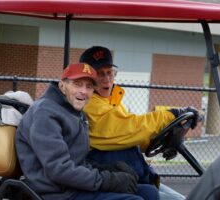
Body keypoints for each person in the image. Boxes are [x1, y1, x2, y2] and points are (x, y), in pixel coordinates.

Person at [15, 63, 159, 200]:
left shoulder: (75, 112)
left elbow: (78, 161)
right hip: (56, 193)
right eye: (77, 84)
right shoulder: (45, 114)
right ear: (62, 85)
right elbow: (59, 169)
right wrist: (106, 180)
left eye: (89, 86)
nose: (83, 91)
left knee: (149, 192)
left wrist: (109, 170)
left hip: (73, 186)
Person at [80, 46, 200, 200]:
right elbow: (129, 128)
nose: (107, 79)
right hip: (114, 177)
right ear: (88, 78)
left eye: (109, 72)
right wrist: (172, 115)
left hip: (131, 175)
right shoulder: (90, 105)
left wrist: (165, 140)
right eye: (100, 74)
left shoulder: (111, 102)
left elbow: (132, 136)